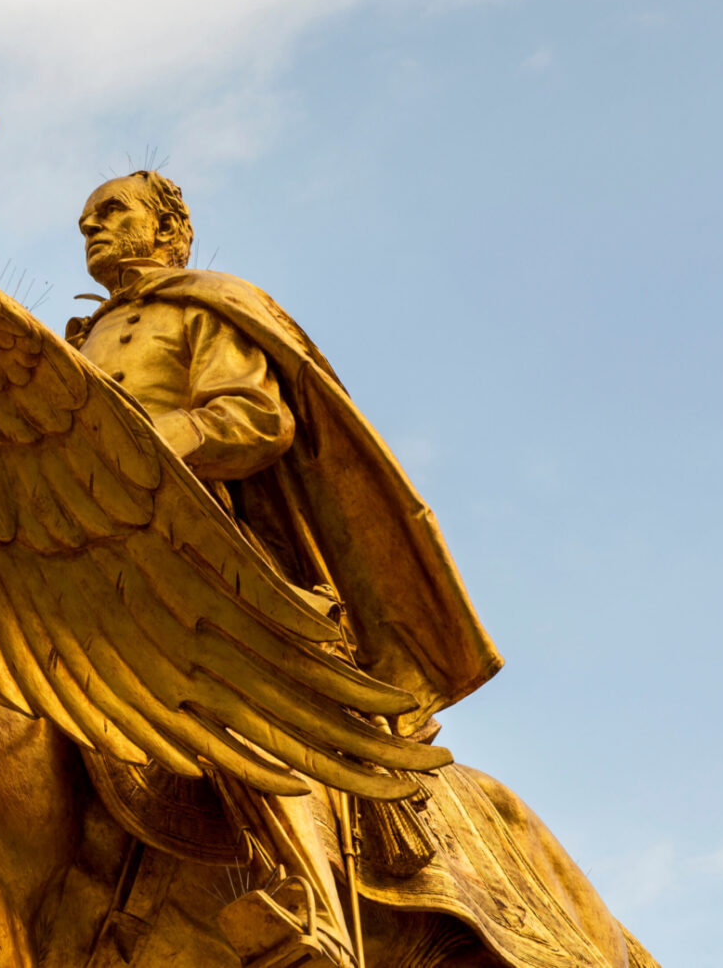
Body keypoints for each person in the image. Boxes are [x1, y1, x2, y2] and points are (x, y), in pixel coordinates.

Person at [66, 170, 503, 967]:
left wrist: (147, 449)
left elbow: (253, 416)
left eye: (112, 213)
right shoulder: (79, 342)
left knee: (231, 692)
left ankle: (309, 908)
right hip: (90, 551)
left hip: (207, 550)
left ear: (169, 232)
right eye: (85, 220)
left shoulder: (204, 306)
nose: (92, 228)